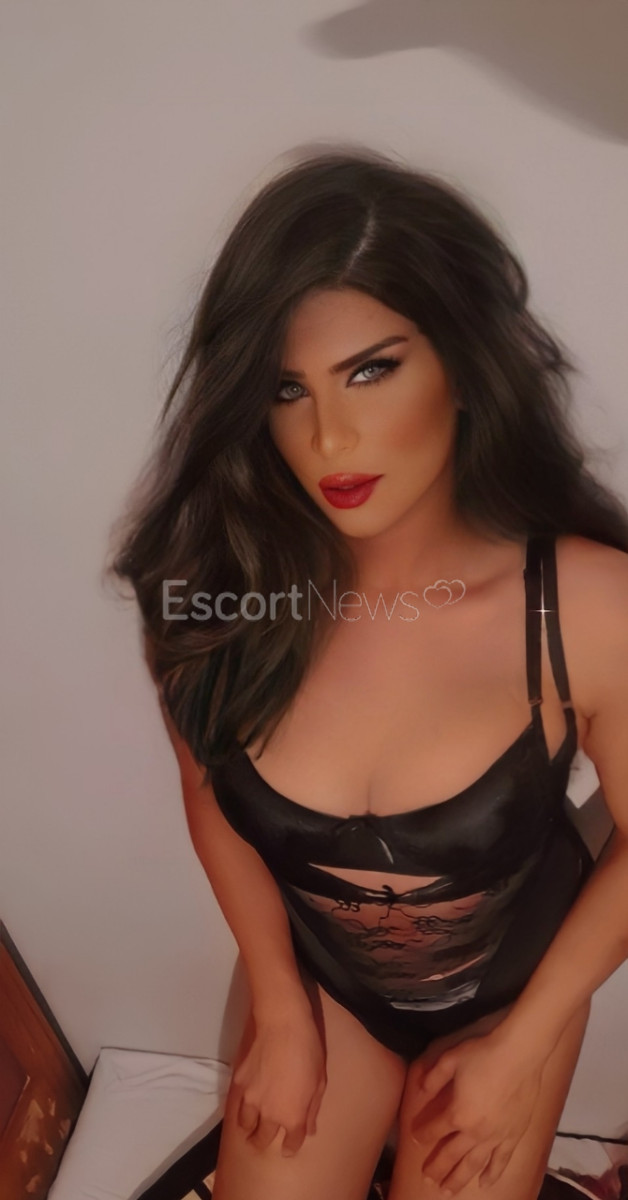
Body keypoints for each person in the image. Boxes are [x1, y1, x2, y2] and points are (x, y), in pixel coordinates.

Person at [107, 145, 628, 1200]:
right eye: (285, 389)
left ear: (464, 366)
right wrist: (279, 1006)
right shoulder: (210, 603)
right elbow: (210, 801)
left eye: (371, 370)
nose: (329, 436)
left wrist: (525, 1045)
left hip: (513, 996)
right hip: (327, 990)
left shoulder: (584, 607)